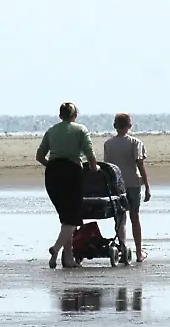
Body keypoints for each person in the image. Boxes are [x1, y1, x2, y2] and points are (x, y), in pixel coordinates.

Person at [36, 102, 98, 268]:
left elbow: (40, 156)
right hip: (71, 173)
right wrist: (94, 167)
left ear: (60, 115)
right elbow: (89, 152)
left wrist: (53, 165)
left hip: (53, 173)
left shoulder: (51, 130)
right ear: (75, 115)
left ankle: (68, 258)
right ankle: (55, 249)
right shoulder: (80, 130)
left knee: (66, 218)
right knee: (73, 218)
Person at [103, 113, 151, 263]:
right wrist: (147, 186)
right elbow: (139, 163)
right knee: (135, 216)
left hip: (117, 184)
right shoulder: (135, 142)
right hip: (132, 183)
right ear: (130, 125)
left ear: (115, 126)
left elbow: (108, 167)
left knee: (120, 218)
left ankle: (123, 248)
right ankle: (138, 252)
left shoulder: (108, 144)